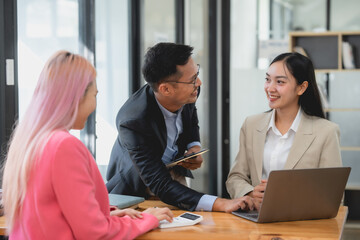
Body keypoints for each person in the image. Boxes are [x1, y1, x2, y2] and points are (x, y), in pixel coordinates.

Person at [2, 51, 173, 239]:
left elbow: (48, 211)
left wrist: (106, 215)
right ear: (75, 98)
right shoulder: (63, 146)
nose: (94, 104)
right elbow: (94, 232)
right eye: (95, 95)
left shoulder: (28, 140)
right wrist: (145, 220)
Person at [106, 42, 254, 212]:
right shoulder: (132, 121)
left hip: (172, 173)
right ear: (166, 89)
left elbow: (190, 115)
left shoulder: (187, 91)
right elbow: (159, 183)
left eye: (197, 74)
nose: (199, 82)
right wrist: (221, 203)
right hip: (138, 188)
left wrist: (194, 146)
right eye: (192, 80)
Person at [226, 52, 342, 209]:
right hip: (256, 222)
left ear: (301, 87)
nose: (270, 88)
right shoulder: (251, 125)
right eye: (267, 80)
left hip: (302, 224)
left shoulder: (326, 132)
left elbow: (333, 193)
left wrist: (285, 195)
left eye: (280, 82)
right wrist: (251, 193)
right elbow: (236, 177)